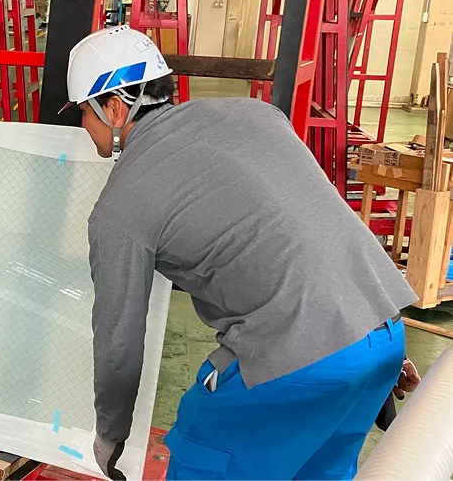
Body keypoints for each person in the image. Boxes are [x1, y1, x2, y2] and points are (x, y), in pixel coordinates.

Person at [61, 26, 421, 480]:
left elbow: (119, 341)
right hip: (384, 340)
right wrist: (367, 345)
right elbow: (315, 229)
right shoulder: (257, 114)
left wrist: (111, 433)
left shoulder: (119, 207)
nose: (83, 126)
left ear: (114, 108)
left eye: (83, 112)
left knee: (205, 455)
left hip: (294, 365)